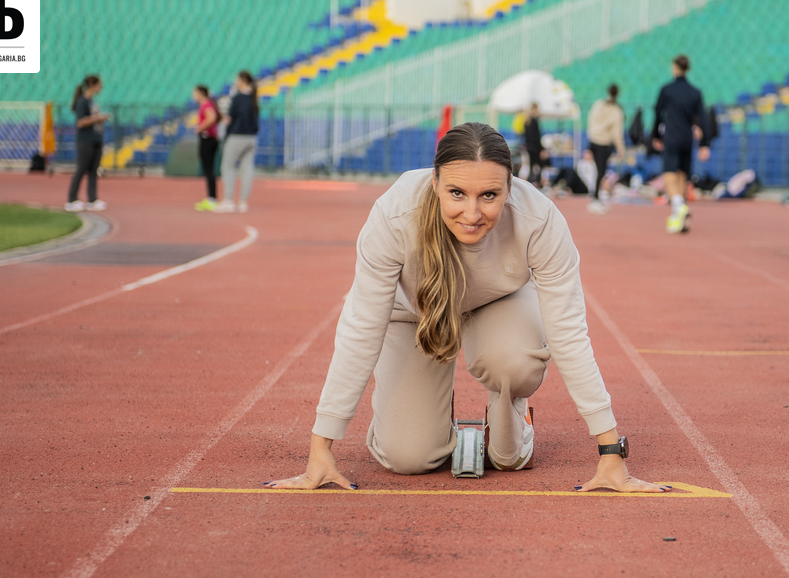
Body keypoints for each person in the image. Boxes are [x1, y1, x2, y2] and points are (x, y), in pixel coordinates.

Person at [265, 122, 666, 494]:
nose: (472, 214)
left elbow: (568, 333)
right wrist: (321, 447)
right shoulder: (394, 215)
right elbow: (361, 327)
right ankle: (431, 414)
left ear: (510, 188)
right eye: (456, 193)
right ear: (435, 181)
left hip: (499, 304)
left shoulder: (540, 219)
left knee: (508, 452)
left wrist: (610, 452)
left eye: (489, 196)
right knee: (408, 458)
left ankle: (512, 413)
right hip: (415, 313)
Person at [651, 55, 711, 234]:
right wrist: (704, 143)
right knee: (682, 178)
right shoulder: (695, 92)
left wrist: (655, 135)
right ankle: (680, 220)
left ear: (675, 67)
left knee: (669, 176)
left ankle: (678, 207)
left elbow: (657, 113)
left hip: (671, 137)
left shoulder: (667, 90)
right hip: (687, 139)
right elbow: (703, 118)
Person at [216, 71, 259, 213]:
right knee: (247, 169)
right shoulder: (253, 97)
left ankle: (228, 200)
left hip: (237, 136)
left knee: (227, 166)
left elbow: (230, 118)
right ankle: (243, 202)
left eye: (237, 78)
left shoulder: (238, 97)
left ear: (242, 80)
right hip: (251, 137)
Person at [65, 75, 110, 212]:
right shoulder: (82, 101)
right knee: (81, 169)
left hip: (96, 138)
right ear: (92, 85)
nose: (101, 87)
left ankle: (92, 199)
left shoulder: (91, 101)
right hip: (85, 140)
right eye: (99, 85)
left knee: (93, 171)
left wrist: (100, 119)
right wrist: (96, 118)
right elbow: (80, 122)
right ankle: (71, 199)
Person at [585, 84, 625, 214]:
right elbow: (616, 132)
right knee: (601, 171)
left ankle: (595, 196)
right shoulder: (616, 110)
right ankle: (596, 197)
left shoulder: (598, 104)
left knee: (596, 170)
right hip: (604, 143)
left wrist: (591, 136)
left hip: (593, 140)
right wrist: (620, 148)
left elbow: (590, 120)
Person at [193, 85, 222, 211]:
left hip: (207, 139)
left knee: (209, 170)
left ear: (201, 93)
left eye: (195, 93)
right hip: (211, 139)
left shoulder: (206, 105)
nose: (193, 96)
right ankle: (211, 198)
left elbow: (212, 118)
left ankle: (212, 198)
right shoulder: (209, 104)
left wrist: (200, 128)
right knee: (209, 170)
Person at [523, 103, 547, 188]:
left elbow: (526, 137)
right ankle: (538, 182)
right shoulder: (534, 121)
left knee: (531, 166)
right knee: (540, 165)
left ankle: (530, 183)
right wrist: (541, 149)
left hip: (530, 148)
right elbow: (537, 137)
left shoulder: (527, 122)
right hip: (535, 148)